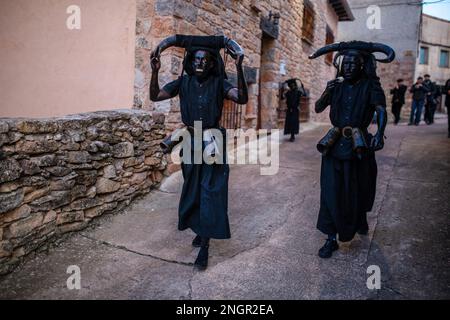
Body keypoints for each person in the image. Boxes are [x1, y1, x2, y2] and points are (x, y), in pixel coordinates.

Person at [149, 35, 248, 270]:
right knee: (193, 189)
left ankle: (205, 245)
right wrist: (155, 71)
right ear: (190, 62)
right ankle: (200, 229)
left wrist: (240, 67)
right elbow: (155, 96)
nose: (200, 64)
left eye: (205, 60)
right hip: (191, 140)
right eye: (196, 60)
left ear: (213, 63)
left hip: (212, 140)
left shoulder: (219, 84)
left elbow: (242, 98)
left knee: (210, 190)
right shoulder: (183, 83)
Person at [309, 41, 394, 258]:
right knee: (330, 191)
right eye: (345, 63)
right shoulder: (335, 85)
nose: (347, 67)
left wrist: (379, 133)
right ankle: (330, 238)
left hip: (359, 146)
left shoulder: (370, 85)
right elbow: (318, 108)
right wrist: (327, 92)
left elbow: (381, 110)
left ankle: (360, 217)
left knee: (359, 188)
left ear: (362, 65)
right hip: (334, 145)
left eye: (352, 64)